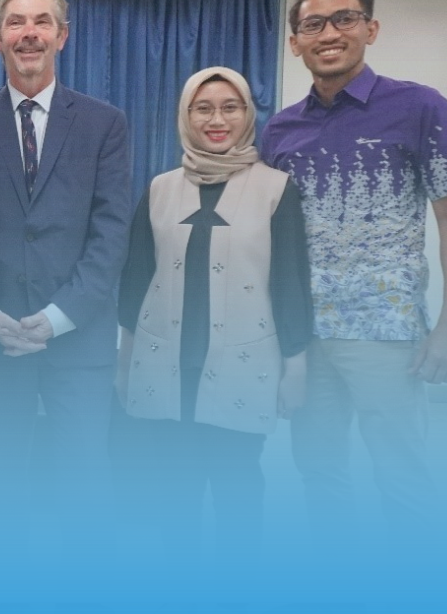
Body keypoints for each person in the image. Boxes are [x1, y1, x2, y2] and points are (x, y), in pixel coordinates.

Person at [261, 0, 447, 546]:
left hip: (386, 331)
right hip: (305, 331)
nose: (329, 34)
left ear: (370, 29)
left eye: (344, 19)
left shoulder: (420, 106)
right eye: (313, 24)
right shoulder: (280, 129)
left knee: (401, 473)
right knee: (318, 469)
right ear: (295, 43)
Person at [0, 0, 131, 561]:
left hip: (79, 336)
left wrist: (58, 317)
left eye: (42, 21)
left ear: (62, 36)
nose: (29, 33)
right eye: (16, 22)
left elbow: (111, 233)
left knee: (84, 481)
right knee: (0, 481)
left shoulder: (105, 124)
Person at [116, 66, 312, 554]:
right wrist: (125, 361)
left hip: (244, 365)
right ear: (186, 116)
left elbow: (289, 281)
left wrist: (296, 366)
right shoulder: (160, 189)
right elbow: (136, 279)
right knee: (174, 488)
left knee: (237, 486)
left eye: (230, 108)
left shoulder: (276, 189)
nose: (217, 120)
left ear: (248, 114)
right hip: (166, 363)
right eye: (203, 108)